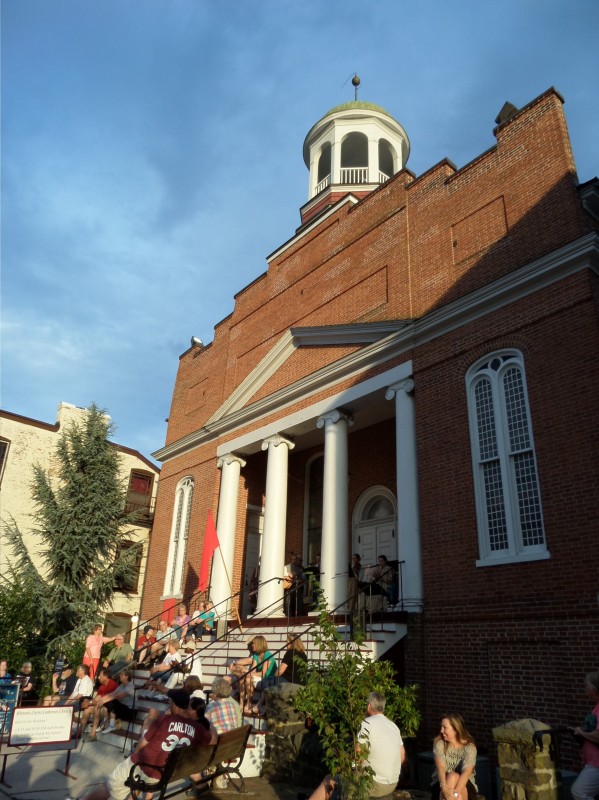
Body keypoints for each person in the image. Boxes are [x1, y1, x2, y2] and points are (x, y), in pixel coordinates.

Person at [74, 689, 215, 800]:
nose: (169, 705)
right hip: (165, 773)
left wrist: (134, 755)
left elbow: (142, 744)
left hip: (144, 768)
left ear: (175, 705)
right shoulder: (197, 729)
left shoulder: (164, 721)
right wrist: (210, 721)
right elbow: (212, 740)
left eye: (170, 702)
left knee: (108, 785)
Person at [306, 691, 404, 800]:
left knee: (330, 780)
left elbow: (358, 756)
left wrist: (351, 770)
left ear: (369, 706)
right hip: (392, 784)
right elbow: (402, 756)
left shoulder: (367, 723)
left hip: (374, 784)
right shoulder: (393, 726)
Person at [431, 713, 477, 800]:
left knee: (453, 777)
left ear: (456, 729)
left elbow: (467, 772)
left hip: (465, 784)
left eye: (445, 727)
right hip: (442, 782)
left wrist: (454, 794)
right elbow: (440, 767)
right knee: (452, 776)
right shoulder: (439, 744)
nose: (441, 730)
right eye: (441, 727)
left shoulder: (470, 747)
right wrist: (444, 788)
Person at [570, 672, 599, 800]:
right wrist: (581, 730)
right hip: (592, 761)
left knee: (579, 791)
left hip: (597, 763)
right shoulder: (596, 707)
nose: (586, 691)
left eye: (587, 687)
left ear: (594, 688)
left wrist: (581, 732)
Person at [229, 635, 276, 713]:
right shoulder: (256, 655)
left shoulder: (267, 654)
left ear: (259, 644)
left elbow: (263, 674)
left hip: (268, 678)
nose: (252, 645)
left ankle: (248, 703)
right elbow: (253, 670)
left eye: (253, 643)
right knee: (243, 675)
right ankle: (241, 703)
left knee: (247, 676)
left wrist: (247, 672)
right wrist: (244, 671)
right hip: (259, 677)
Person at [77, 668, 118, 739]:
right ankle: (79, 732)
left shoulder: (112, 684)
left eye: (100, 675)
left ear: (105, 676)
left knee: (97, 707)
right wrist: (87, 702)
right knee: (87, 710)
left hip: (112, 709)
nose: (98, 677)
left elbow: (101, 700)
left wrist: (89, 703)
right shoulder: (102, 686)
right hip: (103, 706)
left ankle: (93, 734)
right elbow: (96, 698)